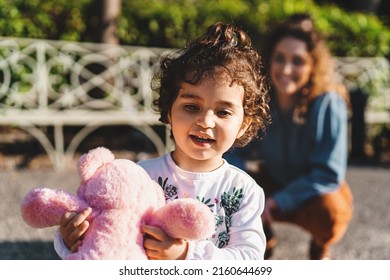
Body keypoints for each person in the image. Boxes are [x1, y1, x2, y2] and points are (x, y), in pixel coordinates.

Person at [54, 22, 271, 260]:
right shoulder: (139, 177)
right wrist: (70, 237)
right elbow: (102, 233)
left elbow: (249, 258)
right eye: (191, 107)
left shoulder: (243, 190)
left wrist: (186, 254)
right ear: (169, 111)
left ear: (244, 124)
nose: (206, 121)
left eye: (223, 112)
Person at [245, 13, 354, 260]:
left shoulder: (328, 103)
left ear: (312, 66)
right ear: (268, 60)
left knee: (332, 213)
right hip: (272, 179)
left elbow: (328, 173)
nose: (286, 69)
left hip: (312, 191)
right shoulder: (261, 100)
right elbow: (232, 153)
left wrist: (278, 201)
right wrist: (246, 191)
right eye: (279, 58)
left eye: (298, 61)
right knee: (229, 191)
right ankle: (261, 237)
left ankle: (319, 245)